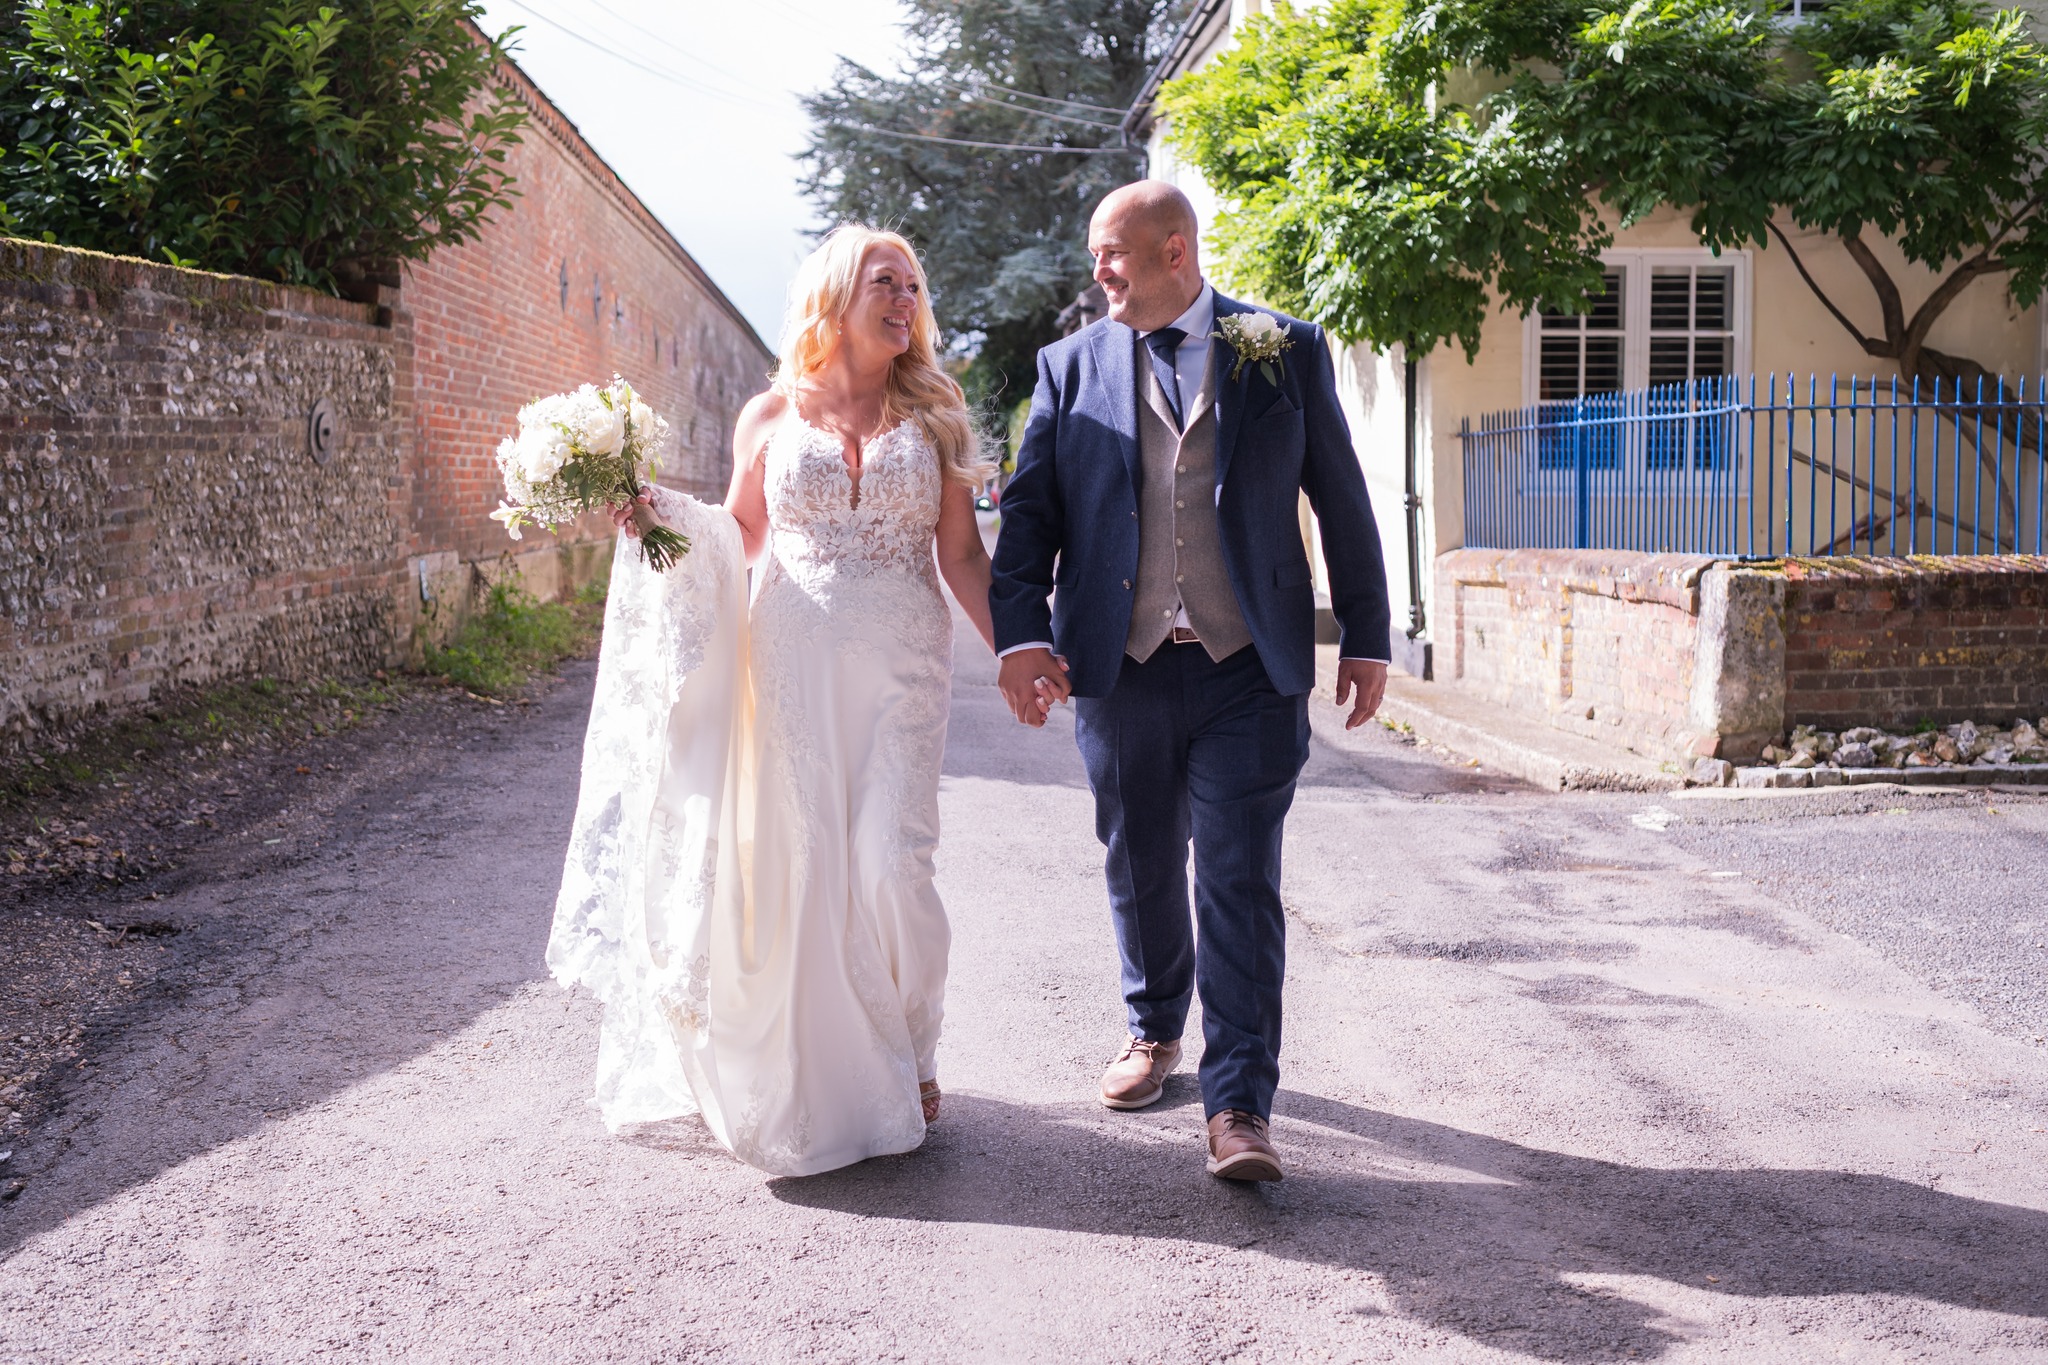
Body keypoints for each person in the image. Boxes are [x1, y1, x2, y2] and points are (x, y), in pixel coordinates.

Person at [545, 226, 999, 1177]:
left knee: (891, 861)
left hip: (905, 665)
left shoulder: (937, 414)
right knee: (812, 867)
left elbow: (961, 554)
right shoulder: (768, 416)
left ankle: (914, 1039)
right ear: (835, 295)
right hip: (789, 660)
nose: (906, 299)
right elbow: (739, 538)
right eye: (886, 281)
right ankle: (853, 1070)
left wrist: (1020, 653)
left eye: (915, 285)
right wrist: (657, 518)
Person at [989, 180, 1391, 1182]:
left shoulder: (1283, 349)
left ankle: (1239, 1105)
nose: (1098, 273)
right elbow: (1031, 515)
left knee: (1237, 876)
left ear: (1175, 248)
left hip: (1246, 666)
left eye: (1111, 253)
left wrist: (1368, 635)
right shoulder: (1066, 367)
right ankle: (1151, 1024)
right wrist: (1019, 638)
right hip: (1115, 663)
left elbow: (1338, 496)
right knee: (1136, 857)